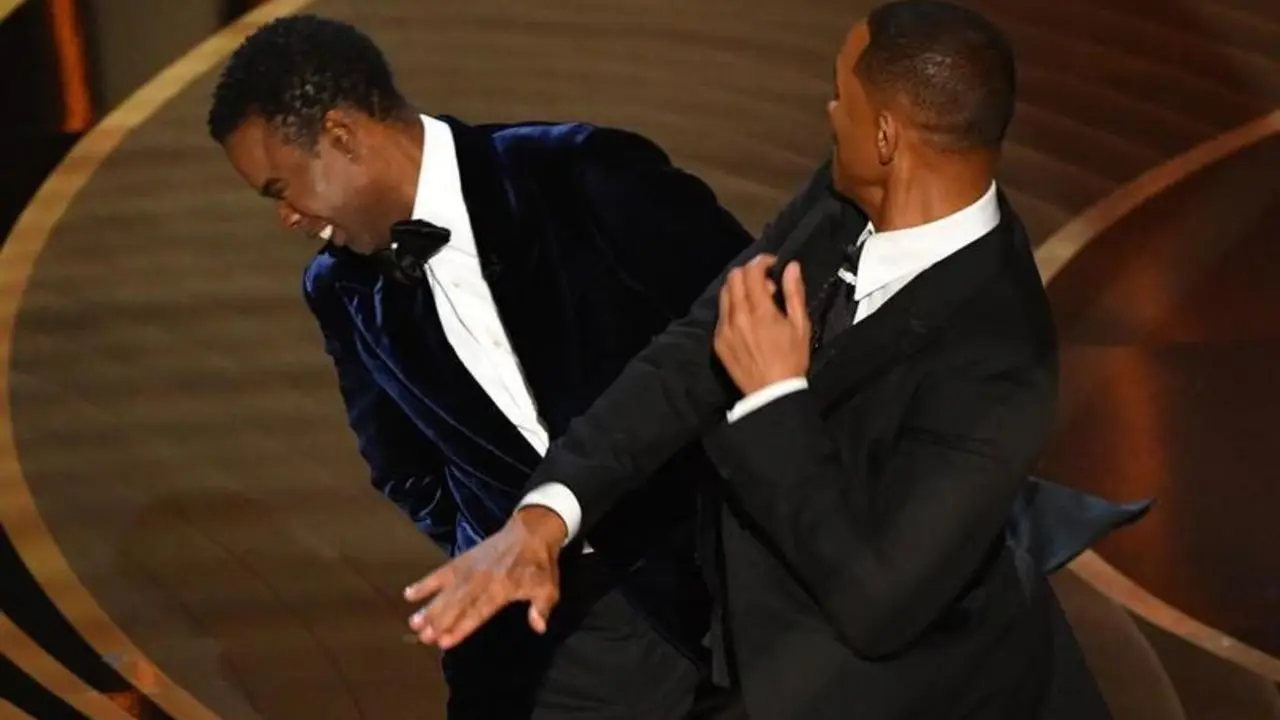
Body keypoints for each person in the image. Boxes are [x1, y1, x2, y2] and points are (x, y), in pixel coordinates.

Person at [404, 2, 1144, 718]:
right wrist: (545, 515)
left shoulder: (1001, 359)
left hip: (904, 695)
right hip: (753, 652)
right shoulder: (844, 198)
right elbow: (693, 352)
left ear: (886, 137)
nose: (827, 112)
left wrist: (775, 399)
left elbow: (878, 605)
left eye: (839, 95)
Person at [205, 14, 755, 719]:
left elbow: (756, 323)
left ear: (341, 136)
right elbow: (402, 466)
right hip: (545, 643)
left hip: (721, 593)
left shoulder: (580, 174)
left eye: (280, 188)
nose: (286, 216)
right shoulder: (338, 288)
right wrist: (500, 542)